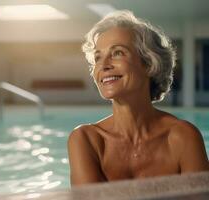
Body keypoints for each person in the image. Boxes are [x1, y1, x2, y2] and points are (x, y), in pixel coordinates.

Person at [68, 10, 209, 186]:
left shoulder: (183, 137)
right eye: (98, 57)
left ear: (149, 64)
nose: (103, 66)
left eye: (117, 53)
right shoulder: (86, 140)